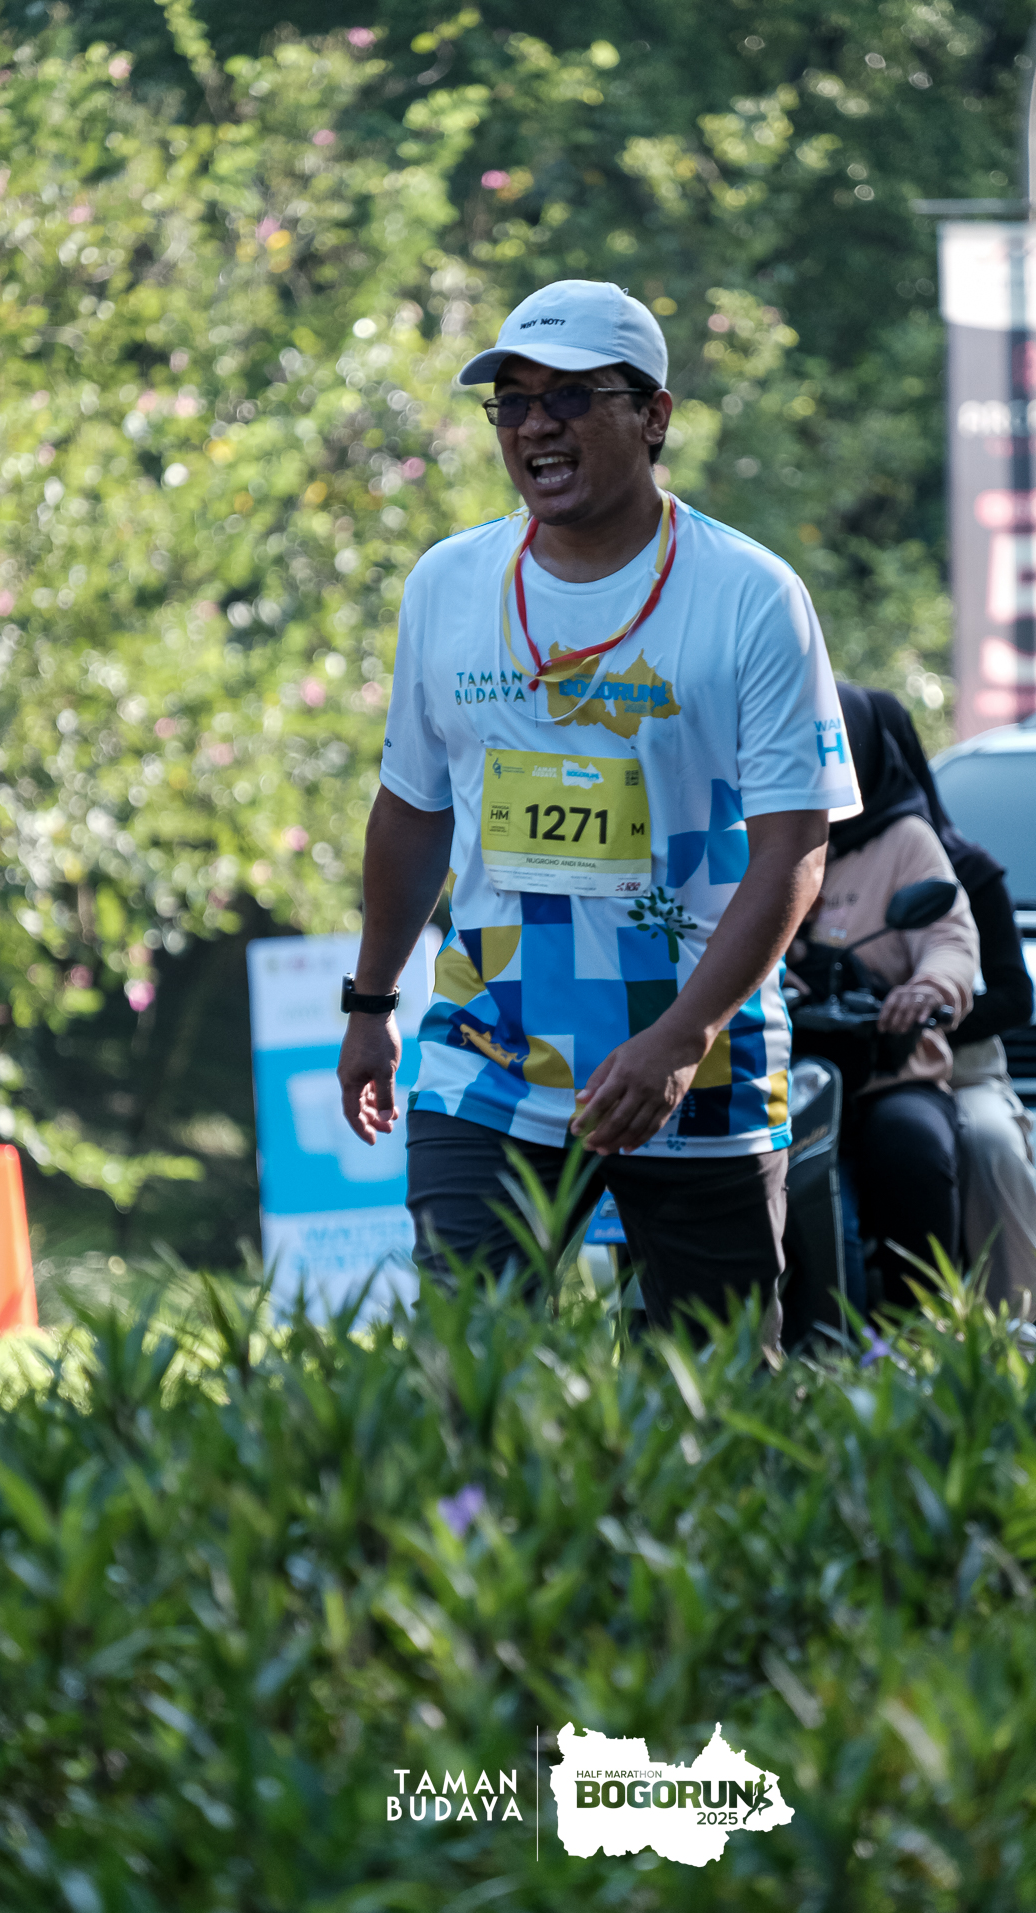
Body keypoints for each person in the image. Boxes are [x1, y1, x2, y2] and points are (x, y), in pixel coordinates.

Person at [336, 279, 857, 1336]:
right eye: (514, 402)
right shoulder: (447, 583)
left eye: (572, 398)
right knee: (468, 1369)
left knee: (707, 1391)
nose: (536, 426)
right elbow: (413, 808)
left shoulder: (751, 594)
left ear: (653, 415)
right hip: (489, 1049)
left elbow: (792, 851)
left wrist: (681, 1036)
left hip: (698, 1059)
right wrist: (370, 1004)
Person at [785, 683, 980, 1314]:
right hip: (779, 1072)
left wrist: (927, 988)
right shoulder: (767, 830)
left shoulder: (905, 842)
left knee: (914, 1149)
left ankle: (926, 1328)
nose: (823, 764)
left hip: (887, 1074)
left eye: (835, 747)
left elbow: (949, 937)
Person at [867, 690, 1036, 1315]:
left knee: (992, 1145)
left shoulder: (966, 869)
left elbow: (1015, 997)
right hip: (858, 1068)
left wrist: (922, 1017)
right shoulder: (820, 862)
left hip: (959, 1070)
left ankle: (1014, 1318)